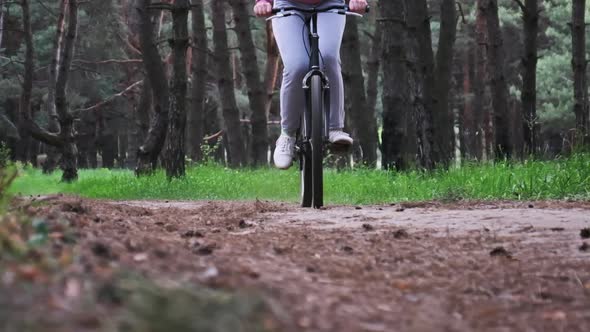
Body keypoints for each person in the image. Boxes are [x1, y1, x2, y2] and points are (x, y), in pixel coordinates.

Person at [254, 0, 368, 169]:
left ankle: (334, 128)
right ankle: (287, 134)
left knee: (328, 58)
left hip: (330, 4)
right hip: (287, 5)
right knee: (297, 66)